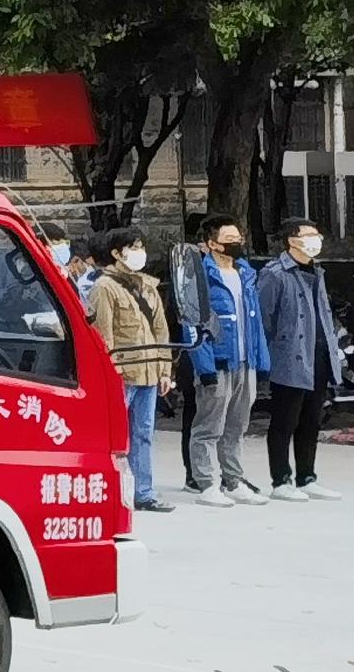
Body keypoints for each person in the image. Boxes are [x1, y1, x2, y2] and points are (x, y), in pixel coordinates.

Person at [178, 218, 268, 505]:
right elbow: (193, 325)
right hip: (217, 363)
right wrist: (204, 367)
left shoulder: (246, 273)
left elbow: (255, 322)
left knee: (237, 425)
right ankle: (205, 483)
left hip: (245, 361)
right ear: (212, 243)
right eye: (229, 239)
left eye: (238, 238)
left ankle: (233, 480)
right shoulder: (200, 276)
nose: (236, 243)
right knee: (209, 426)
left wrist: (261, 360)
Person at [88, 227, 176, 516]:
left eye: (141, 246)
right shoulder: (104, 287)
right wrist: (109, 373)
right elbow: (104, 336)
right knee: (113, 437)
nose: (140, 252)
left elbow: (160, 331)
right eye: (133, 247)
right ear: (117, 253)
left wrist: (165, 370)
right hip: (122, 374)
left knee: (144, 434)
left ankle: (144, 492)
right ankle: (111, 492)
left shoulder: (148, 286)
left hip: (149, 372)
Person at [255, 219, 343, 502]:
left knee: (311, 420)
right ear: (292, 241)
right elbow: (264, 319)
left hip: (318, 355)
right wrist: (267, 357)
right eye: (309, 235)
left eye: (317, 234)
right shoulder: (275, 274)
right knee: (285, 420)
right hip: (289, 357)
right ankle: (281, 479)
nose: (316, 239)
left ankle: (307, 477)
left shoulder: (317, 271)